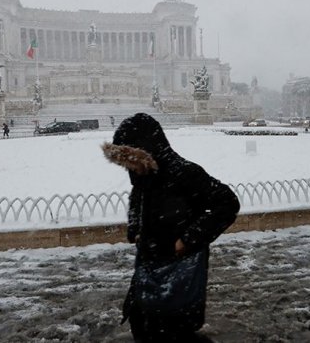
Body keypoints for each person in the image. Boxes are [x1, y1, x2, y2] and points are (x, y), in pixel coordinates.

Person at [102, 113, 239, 342]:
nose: (128, 167)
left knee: (173, 332)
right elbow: (137, 201)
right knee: (143, 325)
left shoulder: (184, 173)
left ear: (146, 150)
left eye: (130, 159)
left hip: (181, 274)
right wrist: (135, 229)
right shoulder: (143, 176)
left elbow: (226, 204)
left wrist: (186, 240)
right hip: (148, 268)